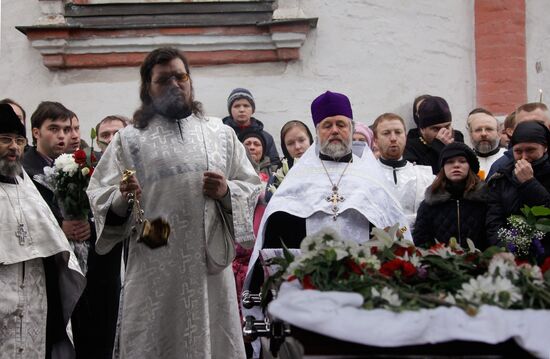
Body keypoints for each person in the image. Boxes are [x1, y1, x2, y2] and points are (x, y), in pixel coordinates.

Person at [87, 47, 261, 359]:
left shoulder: (220, 133)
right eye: (163, 79)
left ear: (190, 81)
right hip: (155, 262)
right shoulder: (129, 139)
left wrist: (225, 191)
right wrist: (121, 198)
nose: (174, 84)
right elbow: (99, 195)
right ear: (147, 88)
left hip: (208, 266)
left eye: (181, 76)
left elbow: (250, 186)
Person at [246, 91, 410, 288]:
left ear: (351, 128)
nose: (334, 130)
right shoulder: (298, 177)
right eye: (327, 125)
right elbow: (277, 227)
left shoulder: (371, 177)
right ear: (317, 132)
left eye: (341, 124)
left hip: (366, 282)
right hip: (307, 283)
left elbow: (393, 226)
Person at [0, 103, 86, 358]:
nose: (14, 147)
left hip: (35, 302)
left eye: (18, 140)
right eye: (5, 140)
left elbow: (53, 248)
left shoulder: (30, 191)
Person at [486, 121, 550, 259]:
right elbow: (493, 222)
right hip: (511, 257)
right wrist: (509, 250)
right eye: (518, 151)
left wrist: (529, 184)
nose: (524, 157)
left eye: (531, 150)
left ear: (544, 148)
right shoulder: (502, 177)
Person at [413, 142, 488, 248]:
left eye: (462, 161)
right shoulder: (430, 204)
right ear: (443, 167)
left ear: (469, 166)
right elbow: (421, 241)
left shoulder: (483, 201)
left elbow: (491, 236)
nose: (456, 165)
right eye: (450, 162)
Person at [373, 113, 434, 229]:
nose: (393, 138)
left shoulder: (425, 176)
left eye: (398, 132)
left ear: (405, 137)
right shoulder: (367, 175)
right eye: (386, 133)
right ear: (375, 140)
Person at [487, 102, 550, 180]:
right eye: (523, 125)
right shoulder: (501, 166)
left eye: (539, 123)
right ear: (514, 129)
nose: (531, 128)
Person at [404, 96, 465, 174]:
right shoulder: (410, 147)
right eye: (436, 129)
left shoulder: (457, 137)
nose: (444, 132)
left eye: (447, 126)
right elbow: (422, 176)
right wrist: (438, 146)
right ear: (422, 129)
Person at [222, 88, 280, 166]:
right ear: (230, 110)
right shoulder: (222, 134)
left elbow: (274, 163)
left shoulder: (266, 137)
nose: (242, 110)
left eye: (246, 106)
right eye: (237, 106)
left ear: (252, 110)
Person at [466, 108, 506, 180]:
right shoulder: (465, 160)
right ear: (470, 134)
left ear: (499, 133)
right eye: (478, 130)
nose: (483, 134)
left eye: (489, 129)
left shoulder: (508, 158)